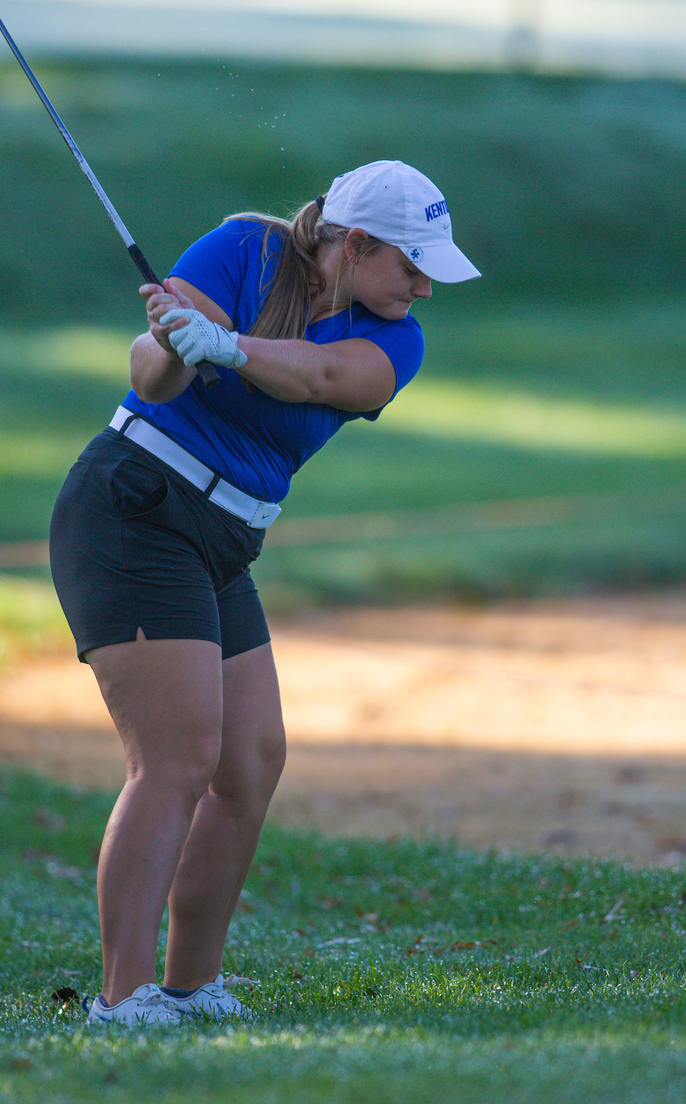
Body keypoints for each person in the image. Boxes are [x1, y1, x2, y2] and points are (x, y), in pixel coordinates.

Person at [49, 159, 480, 1026]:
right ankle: (122, 999)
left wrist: (233, 349)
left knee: (251, 761)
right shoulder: (242, 247)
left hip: (223, 535)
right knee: (177, 759)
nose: (424, 288)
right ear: (354, 245)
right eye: (411, 264)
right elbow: (148, 376)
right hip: (135, 506)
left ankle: (191, 983)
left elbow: (325, 380)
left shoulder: (394, 337)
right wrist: (177, 341)